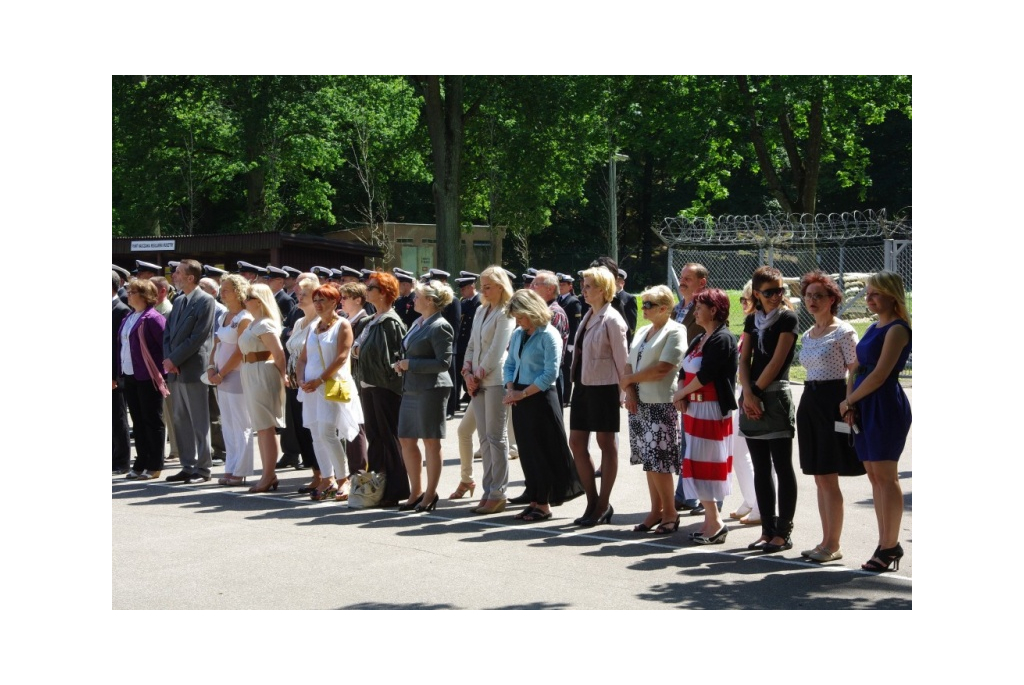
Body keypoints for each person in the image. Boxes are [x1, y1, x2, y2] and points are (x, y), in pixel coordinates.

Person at [839, 271, 912, 572]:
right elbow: (854, 367)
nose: (868, 298)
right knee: (874, 475)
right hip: (863, 402)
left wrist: (851, 400)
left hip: (884, 404)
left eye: (875, 294)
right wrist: (849, 399)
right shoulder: (872, 327)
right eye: (867, 293)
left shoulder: (898, 328)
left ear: (892, 296)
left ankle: (889, 544)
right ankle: (885, 543)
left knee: (886, 476)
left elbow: (881, 374)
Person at [795, 271, 864, 562]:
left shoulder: (844, 330)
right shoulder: (808, 333)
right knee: (819, 476)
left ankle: (833, 544)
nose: (812, 300)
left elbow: (855, 368)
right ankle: (824, 542)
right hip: (809, 400)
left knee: (830, 475)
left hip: (833, 401)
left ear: (832, 299)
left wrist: (849, 402)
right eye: (808, 295)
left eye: (818, 296)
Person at [502, 289, 583, 522]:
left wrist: (522, 393)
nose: (518, 321)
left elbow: (550, 373)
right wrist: (510, 389)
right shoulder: (518, 333)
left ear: (533, 311)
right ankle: (535, 500)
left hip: (540, 397)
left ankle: (545, 504)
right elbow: (510, 364)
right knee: (527, 452)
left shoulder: (549, 335)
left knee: (543, 451)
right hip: (520, 396)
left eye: (521, 316)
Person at [739, 266, 798, 553]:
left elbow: (777, 362)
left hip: (774, 396)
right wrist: (747, 393)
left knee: (782, 466)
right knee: (761, 468)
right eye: (770, 292)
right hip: (752, 396)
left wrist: (756, 393)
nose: (777, 296)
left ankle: (782, 532)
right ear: (756, 294)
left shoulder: (788, 318)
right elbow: (744, 359)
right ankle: (766, 529)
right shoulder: (752, 320)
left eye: (780, 290)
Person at [672, 289, 738, 544]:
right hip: (694, 410)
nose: (695, 311)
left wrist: (681, 395)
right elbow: (683, 369)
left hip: (710, 410)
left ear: (714, 310)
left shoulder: (723, 339)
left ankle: (716, 522)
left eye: (700, 307)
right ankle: (710, 521)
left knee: (706, 466)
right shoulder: (700, 337)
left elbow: (706, 374)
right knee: (694, 464)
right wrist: (681, 391)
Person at [619, 286, 686, 533]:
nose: (643, 308)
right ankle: (655, 510)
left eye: (649, 304)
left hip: (660, 404)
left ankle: (670, 512)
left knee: (660, 462)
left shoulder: (676, 330)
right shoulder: (644, 330)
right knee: (649, 461)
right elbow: (628, 363)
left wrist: (629, 381)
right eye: (643, 303)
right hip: (639, 403)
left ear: (664, 308)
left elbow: (663, 368)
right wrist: (630, 390)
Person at [568, 266, 628, 526]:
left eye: (589, 285)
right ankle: (592, 501)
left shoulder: (612, 319)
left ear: (604, 290)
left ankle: (603, 505)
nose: (584, 289)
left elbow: (622, 361)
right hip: (583, 386)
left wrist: (625, 393)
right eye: (584, 284)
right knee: (577, 443)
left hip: (604, 388)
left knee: (607, 444)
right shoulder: (589, 315)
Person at [297, 283, 363, 501]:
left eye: (322, 300)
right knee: (316, 433)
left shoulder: (342, 324)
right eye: (315, 300)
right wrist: (301, 378)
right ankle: (327, 477)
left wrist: (319, 380)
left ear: (334, 302)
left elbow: (342, 357)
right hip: (311, 387)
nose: (317, 304)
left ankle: (343, 479)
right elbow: (303, 358)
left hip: (330, 385)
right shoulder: (314, 326)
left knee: (327, 431)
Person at [393, 279, 455, 512]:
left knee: (431, 440)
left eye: (417, 296)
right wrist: (403, 364)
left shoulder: (440, 325)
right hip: (412, 387)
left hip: (432, 389)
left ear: (429, 300)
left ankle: (430, 494)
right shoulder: (418, 322)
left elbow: (443, 363)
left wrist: (412, 364)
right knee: (406, 438)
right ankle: (415, 491)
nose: (413, 299)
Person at [461, 266, 516, 514]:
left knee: (496, 437)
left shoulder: (506, 313)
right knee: (483, 439)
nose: (483, 289)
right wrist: (467, 371)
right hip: (478, 380)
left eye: (488, 285)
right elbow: (472, 344)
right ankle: (487, 489)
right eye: (482, 285)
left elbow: (497, 349)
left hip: (494, 379)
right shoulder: (481, 310)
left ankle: (498, 492)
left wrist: (479, 374)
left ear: (501, 286)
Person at [352, 272, 409, 507]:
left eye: (372, 287)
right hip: (367, 384)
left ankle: (396, 489)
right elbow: (356, 349)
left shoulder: (391, 322)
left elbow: (392, 357)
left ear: (384, 292)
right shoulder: (370, 320)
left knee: (389, 438)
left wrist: (360, 353)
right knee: (375, 438)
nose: (367, 290)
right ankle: (376, 485)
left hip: (385, 387)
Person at [163, 259, 217, 483]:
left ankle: (203, 468)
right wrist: (168, 359)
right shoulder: (178, 301)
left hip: (193, 368)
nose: (174, 275)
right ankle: (187, 465)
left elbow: (198, 337)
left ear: (190, 277)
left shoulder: (205, 301)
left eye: (177, 272)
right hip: (175, 369)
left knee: (198, 420)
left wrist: (174, 358)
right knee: (179, 418)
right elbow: (168, 333)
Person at [238, 283, 287, 493]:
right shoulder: (253, 323)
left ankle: (268, 474)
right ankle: (268, 473)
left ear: (259, 300)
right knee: (261, 426)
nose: (245, 299)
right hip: (250, 370)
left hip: (262, 372)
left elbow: (279, 354)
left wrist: (280, 376)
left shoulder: (265, 324)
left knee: (266, 426)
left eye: (249, 296)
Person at [207, 275, 256, 486]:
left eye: (226, 289)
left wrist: (222, 372)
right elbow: (216, 344)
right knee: (227, 424)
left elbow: (240, 350)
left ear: (238, 291)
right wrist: (211, 368)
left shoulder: (245, 317)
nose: (222, 293)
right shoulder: (224, 316)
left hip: (236, 375)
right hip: (221, 376)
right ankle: (231, 467)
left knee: (241, 423)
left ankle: (241, 470)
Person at [118, 279, 167, 480]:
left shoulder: (153, 318)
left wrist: (163, 374)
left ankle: (155, 464)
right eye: (128, 291)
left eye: (132, 291)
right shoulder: (129, 317)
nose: (128, 294)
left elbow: (165, 346)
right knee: (137, 421)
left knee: (152, 420)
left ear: (144, 295)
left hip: (148, 376)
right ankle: (141, 461)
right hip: (130, 374)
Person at [671, 262, 710, 513]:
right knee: (684, 440)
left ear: (701, 283)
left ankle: (692, 496)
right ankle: (686, 494)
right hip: (676, 379)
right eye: (681, 277)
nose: (682, 281)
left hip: (694, 381)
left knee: (694, 441)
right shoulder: (677, 308)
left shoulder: (704, 308)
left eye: (688, 278)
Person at [728, 281, 763, 526]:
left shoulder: (763, 328)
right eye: (741, 299)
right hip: (742, 393)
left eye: (746, 299)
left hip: (756, 394)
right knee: (738, 452)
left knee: (762, 455)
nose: (743, 303)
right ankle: (750, 498)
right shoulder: (747, 329)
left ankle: (762, 505)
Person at [284, 275, 322, 493]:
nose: (298, 296)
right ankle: (315, 474)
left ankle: (324, 474)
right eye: (298, 293)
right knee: (300, 429)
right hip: (294, 383)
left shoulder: (319, 322)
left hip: (310, 383)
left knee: (313, 430)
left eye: (304, 294)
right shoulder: (299, 321)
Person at [338, 281, 370, 476]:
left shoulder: (363, 320)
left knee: (355, 424)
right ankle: (350, 468)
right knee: (344, 423)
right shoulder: (346, 319)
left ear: (358, 300)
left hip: (356, 378)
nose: (341, 301)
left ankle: (358, 470)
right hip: (345, 377)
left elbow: (355, 351)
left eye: (345, 298)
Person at [113, 271, 132, 475]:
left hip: (114, 374)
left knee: (118, 417)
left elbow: (118, 347)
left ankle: (121, 461)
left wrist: (114, 376)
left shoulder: (121, 310)